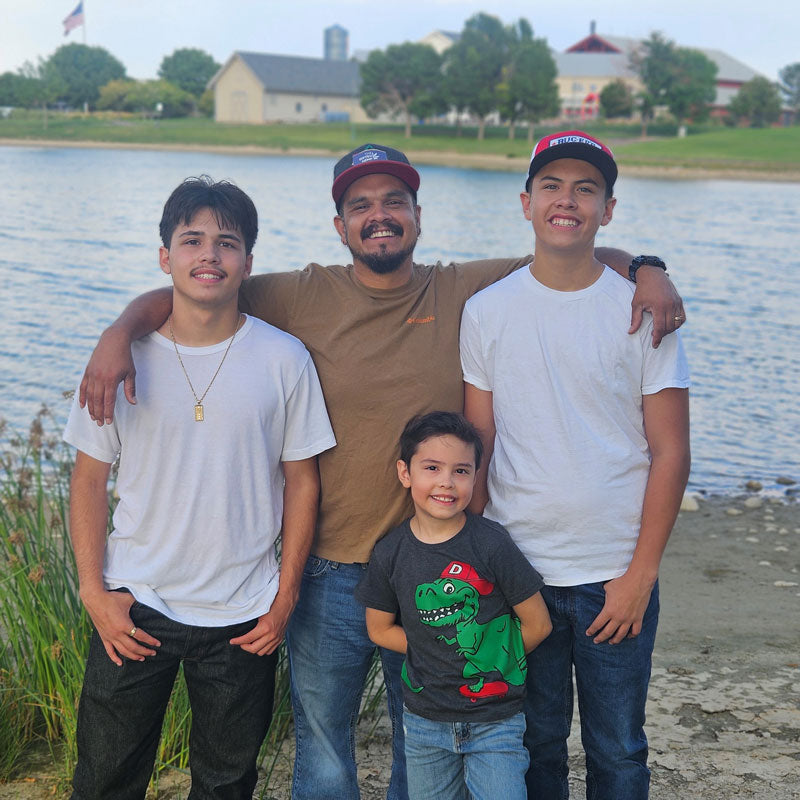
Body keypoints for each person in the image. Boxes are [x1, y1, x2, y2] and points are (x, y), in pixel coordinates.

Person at [77, 143, 686, 800]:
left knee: (422, 735)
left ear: (418, 216)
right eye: (360, 205)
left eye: (395, 202)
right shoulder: (298, 295)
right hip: (325, 572)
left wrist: (650, 268)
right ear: (339, 225)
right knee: (324, 739)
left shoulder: (463, 289)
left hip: (427, 565)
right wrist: (119, 331)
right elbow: (195, 283)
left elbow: (573, 253)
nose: (380, 216)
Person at [63, 176, 335, 799]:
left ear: (247, 262)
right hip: (134, 604)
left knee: (226, 783)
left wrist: (285, 594)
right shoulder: (122, 359)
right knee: (104, 779)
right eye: (192, 240)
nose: (209, 255)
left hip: (243, 613)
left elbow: (302, 482)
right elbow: (89, 479)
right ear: (166, 257)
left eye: (227, 242)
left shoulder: (284, 358)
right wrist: (92, 590)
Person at [460, 130, 691, 799]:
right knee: (534, 746)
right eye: (552, 187)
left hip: (613, 575)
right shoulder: (486, 311)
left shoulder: (643, 311)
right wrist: (481, 568)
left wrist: (640, 575)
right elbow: (482, 442)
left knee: (618, 747)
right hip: (519, 571)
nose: (568, 201)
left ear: (608, 210)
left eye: (586, 189)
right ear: (526, 203)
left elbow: (670, 451)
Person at [355, 412, 552, 800]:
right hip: (425, 721)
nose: (446, 481)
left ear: (476, 476)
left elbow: (538, 624)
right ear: (405, 472)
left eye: (461, 471)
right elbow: (378, 629)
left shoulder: (491, 544)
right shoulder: (391, 552)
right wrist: (435, 651)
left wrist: (492, 658)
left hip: (496, 720)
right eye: (432, 468)